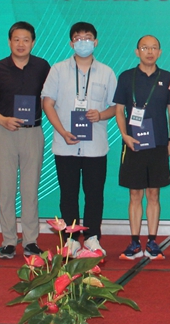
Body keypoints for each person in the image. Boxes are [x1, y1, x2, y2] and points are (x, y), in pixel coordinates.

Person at [41, 22, 117, 257]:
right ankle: (71, 239)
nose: (83, 42)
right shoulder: (58, 70)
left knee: (94, 194)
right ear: (71, 43)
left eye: (88, 38)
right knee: (68, 194)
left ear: (96, 42)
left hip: (96, 146)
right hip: (66, 144)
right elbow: (47, 103)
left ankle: (92, 238)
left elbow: (116, 107)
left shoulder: (106, 72)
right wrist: (62, 131)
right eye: (78, 38)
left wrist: (100, 115)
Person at [0, 21, 52, 259]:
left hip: (33, 133)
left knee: (30, 190)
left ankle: (30, 241)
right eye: (16, 39)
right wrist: (2, 120)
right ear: (9, 42)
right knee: (6, 189)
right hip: (5, 133)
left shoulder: (42, 67)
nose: (21, 44)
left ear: (33, 42)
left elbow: (50, 98)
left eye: (26, 40)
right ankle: (9, 241)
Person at [113, 35, 170, 260]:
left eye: (154, 48)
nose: (149, 52)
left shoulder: (167, 77)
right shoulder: (126, 77)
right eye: (145, 48)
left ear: (159, 52)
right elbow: (119, 110)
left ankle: (151, 241)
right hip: (134, 144)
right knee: (134, 194)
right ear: (137, 51)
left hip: (158, 143)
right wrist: (125, 136)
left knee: (153, 193)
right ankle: (133, 242)